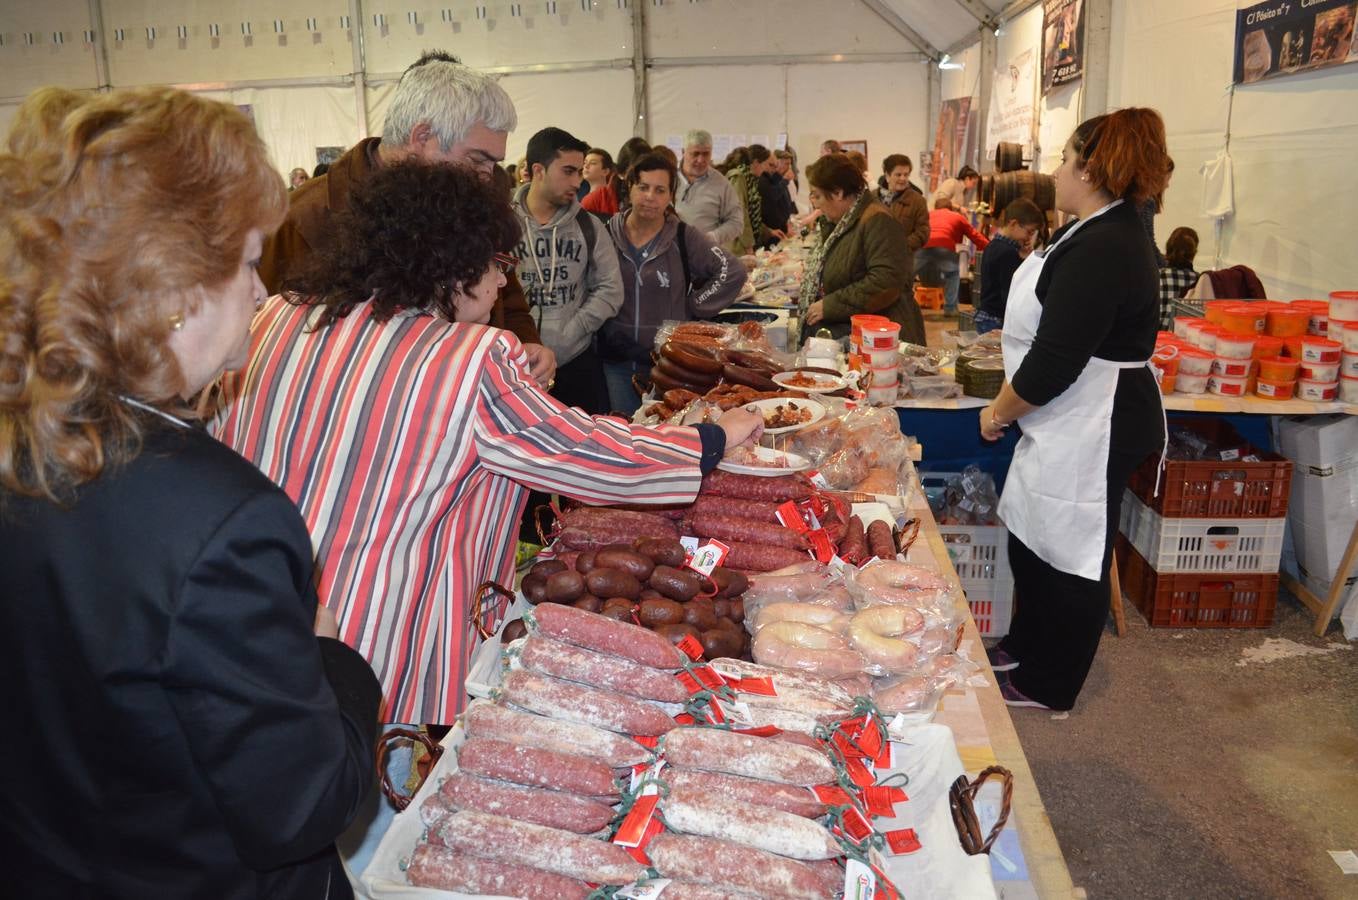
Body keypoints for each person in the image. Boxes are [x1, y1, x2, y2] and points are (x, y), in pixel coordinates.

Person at [213, 161, 762, 728]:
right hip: (379, 644)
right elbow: (585, 454)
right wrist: (710, 439)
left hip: (252, 625)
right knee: (377, 777)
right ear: (450, 263)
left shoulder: (273, 318)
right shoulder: (472, 355)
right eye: (499, 264)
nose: (503, 283)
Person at [1, 85, 380, 899]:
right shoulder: (223, 521)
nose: (260, 291)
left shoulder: (31, 436)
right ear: (173, 289)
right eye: (247, 262)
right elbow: (303, 806)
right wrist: (334, 658)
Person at [978, 108, 1171, 712]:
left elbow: (1053, 365)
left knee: (1072, 554)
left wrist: (999, 413)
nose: (1055, 172)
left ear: (1089, 170)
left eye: (1063, 159)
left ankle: (1049, 682)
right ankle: (1025, 645)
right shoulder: (1091, 229)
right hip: (1067, 414)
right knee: (1034, 538)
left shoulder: (1107, 246)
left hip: (1096, 418)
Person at [258, 52, 556, 389]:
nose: (487, 177)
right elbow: (264, 348)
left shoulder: (474, 199)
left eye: (494, 163)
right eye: (477, 160)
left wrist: (526, 344)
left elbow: (507, 297)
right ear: (422, 137)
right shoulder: (299, 220)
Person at [599, 152, 748, 413]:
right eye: (643, 187)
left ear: (670, 195)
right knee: (624, 429)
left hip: (671, 364)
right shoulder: (606, 234)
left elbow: (732, 270)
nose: (650, 196)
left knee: (666, 431)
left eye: (660, 190)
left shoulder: (684, 237)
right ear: (629, 188)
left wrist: (695, 306)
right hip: (617, 361)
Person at [512, 126, 624, 415]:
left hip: (574, 364)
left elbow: (610, 289)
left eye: (580, 171)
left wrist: (573, 330)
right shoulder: (501, 223)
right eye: (568, 171)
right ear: (538, 170)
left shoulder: (589, 226)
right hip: (511, 363)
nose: (577, 181)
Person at [798, 153, 924, 345]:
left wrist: (830, 305)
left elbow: (885, 281)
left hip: (879, 340)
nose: (815, 203)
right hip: (861, 334)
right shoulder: (843, 222)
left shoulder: (877, 220)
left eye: (817, 195)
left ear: (838, 193)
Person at [975, 198, 1044, 334]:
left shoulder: (993, 245)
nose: (1029, 238)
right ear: (1014, 224)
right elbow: (1010, 291)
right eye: (1029, 232)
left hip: (985, 315)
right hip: (996, 319)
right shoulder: (1008, 253)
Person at [918, 196, 990, 316]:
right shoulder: (957, 217)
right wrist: (991, 248)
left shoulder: (927, 215)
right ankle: (950, 309)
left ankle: (902, 305)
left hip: (923, 245)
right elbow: (974, 235)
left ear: (936, 207)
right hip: (944, 245)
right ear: (950, 208)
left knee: (907, 276)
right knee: (952, 275)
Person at [675, 129, 744, 250]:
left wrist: (713, 237)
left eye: (706, 154)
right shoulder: (668, 178)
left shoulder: (722, 184)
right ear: (683, 152)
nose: (701, 160)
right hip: (670, 253)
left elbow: (736, 222)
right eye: (695, 154)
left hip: (705, 254)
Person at [879, 153, 931, 280]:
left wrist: (901, 247)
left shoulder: (917, 201)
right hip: (874, 264)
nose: (903, 178)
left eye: (906, 174)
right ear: (887, 176)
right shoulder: (873, 198)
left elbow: (923, 232)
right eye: (898, 174)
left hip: (902, 265)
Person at [725, 144, 784, 253]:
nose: (765, 169)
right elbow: (739, 213)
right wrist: (748, 245)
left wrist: (769, 231)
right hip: (737, 244)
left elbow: (753, 216)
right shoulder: (739, 177)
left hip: (745, 241)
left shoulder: (751, 180)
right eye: (764, 164)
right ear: (756, 163)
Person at [1157, 226, 1200, 329]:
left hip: (1157, 336)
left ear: (1168, 248)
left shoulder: (1157, 276)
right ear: (1193, 253)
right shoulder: (1199, 281)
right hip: (1183, 336)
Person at [580, 146, 617, 215]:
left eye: (593, 163)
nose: (586, 166)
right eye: (585, 162)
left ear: (605, 171)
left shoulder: (613, 195)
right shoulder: (610, 194)